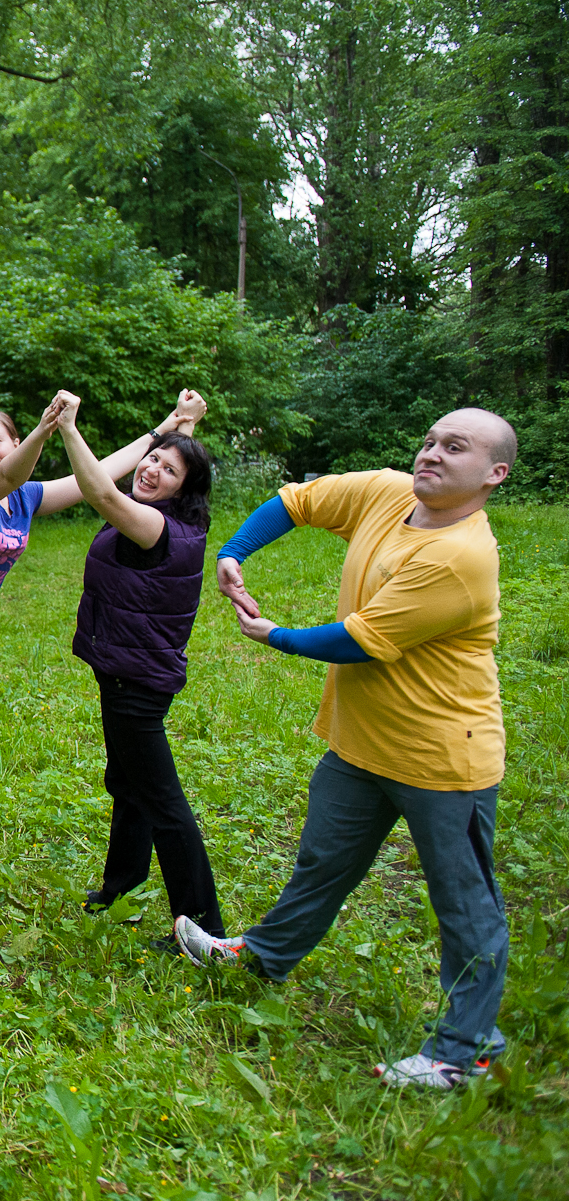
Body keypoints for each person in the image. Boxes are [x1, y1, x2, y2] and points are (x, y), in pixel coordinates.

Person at [174, 409, 516, 1090]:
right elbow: (298, 501)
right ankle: (263, 957)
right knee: (322, 862)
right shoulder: (392, 493)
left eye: (456, 447)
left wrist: (274, 634)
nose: (433, 454)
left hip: (443, 758)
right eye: (429, 440)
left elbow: (360, 639)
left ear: (494, 475)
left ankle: (466, 1051)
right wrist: (232, 553)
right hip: (363, 742)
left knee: (464, 903)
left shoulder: (461, 557)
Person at [0, 389, 206, 889]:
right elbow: (6, 475)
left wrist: (168, 426)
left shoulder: (26, 499)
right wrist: (48, 428)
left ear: (12, 439)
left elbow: (105, 475)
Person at [49, 391, 224, 939]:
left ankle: (202, 924)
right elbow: (164, 464)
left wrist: (69, 429)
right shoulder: (171, 518)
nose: (151, 469)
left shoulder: (157, 529)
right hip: (126, 671)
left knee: (162, 802)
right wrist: (181, 425)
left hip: (136, 682)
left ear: (183, 489)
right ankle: (119, 891)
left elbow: (99, 490)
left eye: (167, 470)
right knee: (128, 784)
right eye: (152, 459)